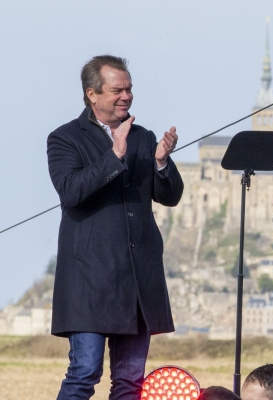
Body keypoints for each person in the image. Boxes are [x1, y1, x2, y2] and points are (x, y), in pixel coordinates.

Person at [47, 55, 184, 399]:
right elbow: (71, 191)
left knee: (129, 384)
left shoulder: (143, 136)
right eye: (117, 90)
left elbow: (170, 196)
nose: (126, 96)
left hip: (137, 281)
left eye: (129, 89)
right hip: (89, 282)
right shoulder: (64, 139)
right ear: (92, 94)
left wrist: (162, 162)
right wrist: (114, 155)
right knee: (84, 373)